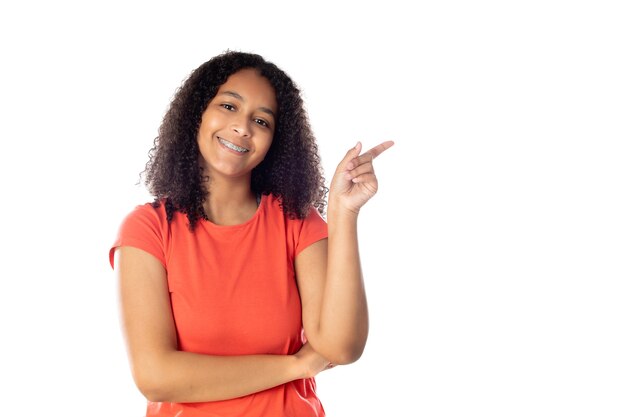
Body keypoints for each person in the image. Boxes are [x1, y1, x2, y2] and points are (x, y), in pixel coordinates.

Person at [109, 50, 393, 417]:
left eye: (262, 120)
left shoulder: (296, 221)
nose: (243, 127)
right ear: (198, 113)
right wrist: (297, 366)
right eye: (228, 107)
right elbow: (155, 375)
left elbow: (341, 346)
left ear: (275, 141)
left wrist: (343, 213)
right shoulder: (148, 229)